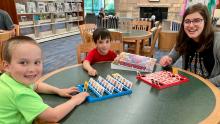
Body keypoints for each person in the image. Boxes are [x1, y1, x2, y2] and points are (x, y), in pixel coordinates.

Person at [0, 36, 89, 123]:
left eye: (36, 62)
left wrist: (58, 91)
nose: (32, 69)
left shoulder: (8, 78)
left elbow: (36, 85)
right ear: (6, 66)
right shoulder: (20, 94)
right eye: (23, 62)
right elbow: (54, 116)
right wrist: (75, 100)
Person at [159, 3, 220, 87]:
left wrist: (205, 84)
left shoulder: (217, 40)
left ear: (206, 22)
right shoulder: (184, 38)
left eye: (197, 20)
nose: (191, 25)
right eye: (187, 21)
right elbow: (172, 56)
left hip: (212, 89)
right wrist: (168, 59)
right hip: (188, 85)